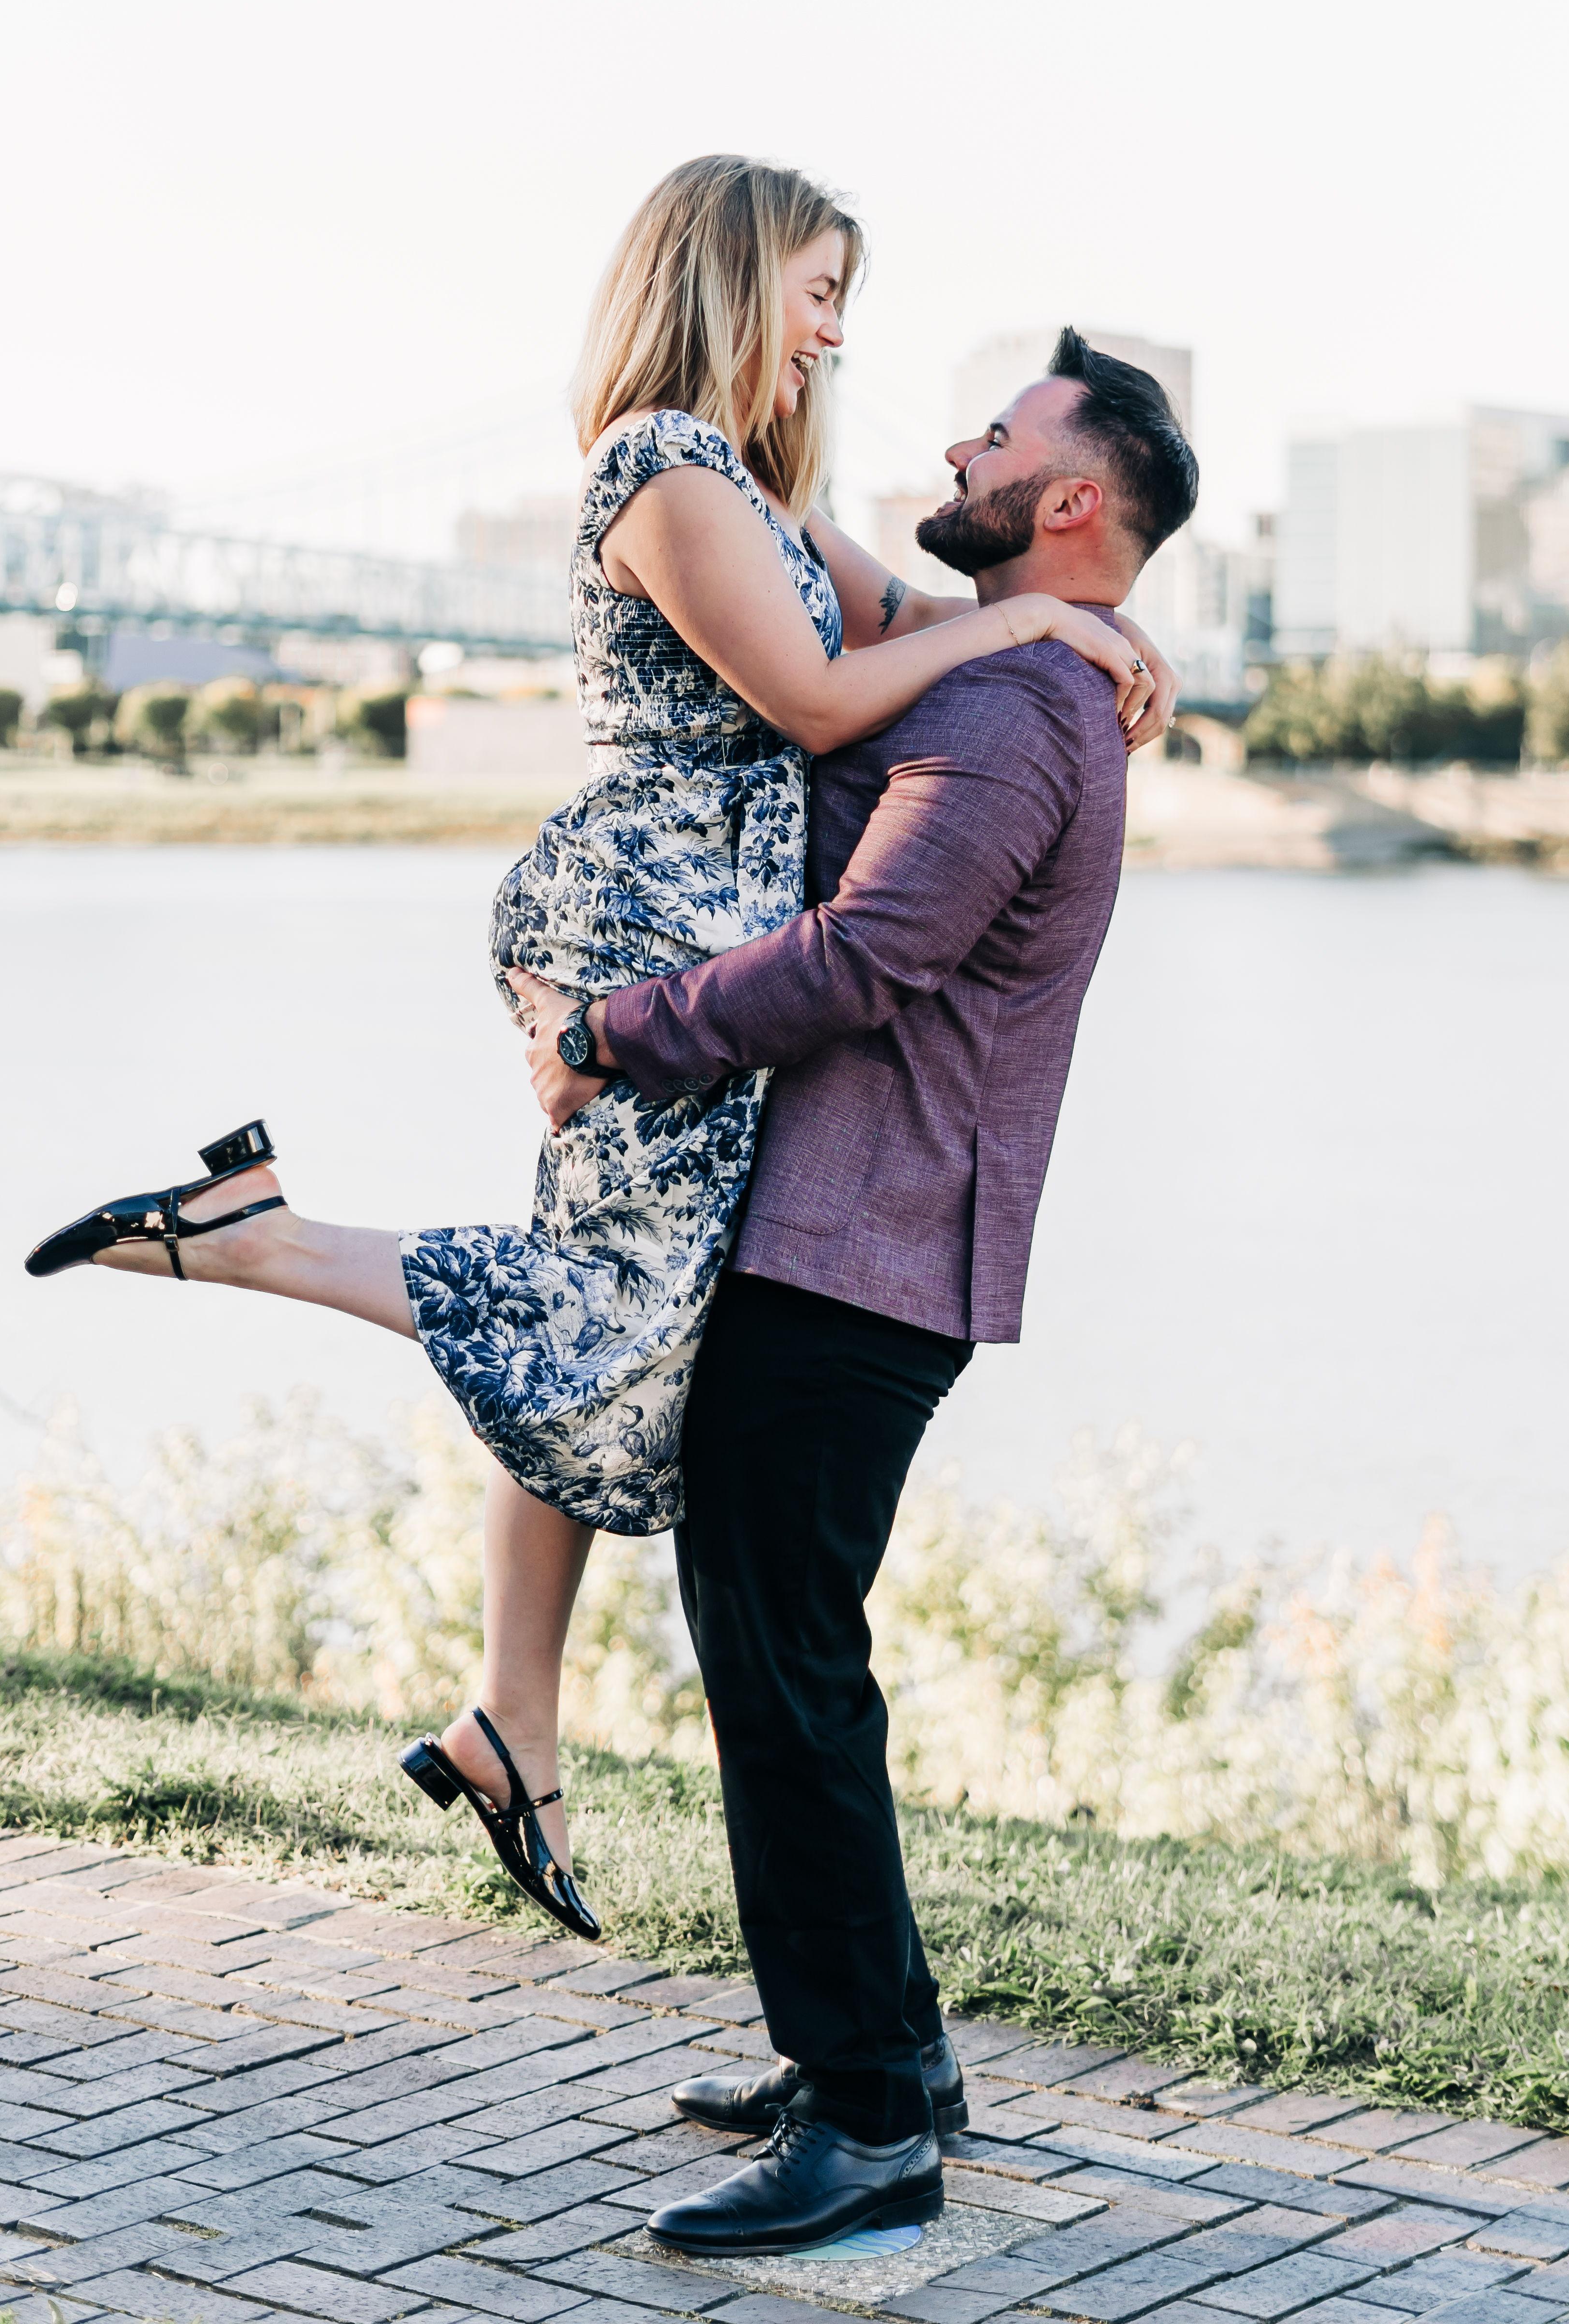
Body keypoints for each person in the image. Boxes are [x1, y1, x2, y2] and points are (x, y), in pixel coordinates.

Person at [22, 159, 1174, 1942]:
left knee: (615, 1313)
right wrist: (1041, 616)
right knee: (612, 1311)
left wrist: (1093, 617)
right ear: (733, 282)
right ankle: (261, 1244)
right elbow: (817, 700)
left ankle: (513, 1717)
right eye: (818, 292)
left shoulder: (759, 494)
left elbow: (896, 627)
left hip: (693, 918)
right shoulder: (664, 469)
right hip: (641, 921)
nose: (835, 333)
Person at [509, 327, 1198, 2254]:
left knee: (780, 1666)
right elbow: (799, 565)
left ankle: (874, 2123)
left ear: (1071, 499)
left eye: (999, 437)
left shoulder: (1015, 713)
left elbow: (864, 958)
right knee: (800, 1656)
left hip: (859, 1250)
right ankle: (887, 2052)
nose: (959, 448)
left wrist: (609, 1035)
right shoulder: (1009, 669)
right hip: (857, 1238)